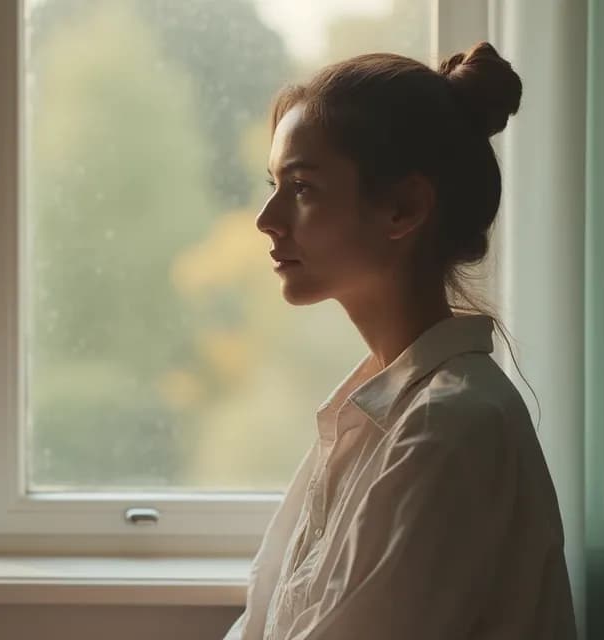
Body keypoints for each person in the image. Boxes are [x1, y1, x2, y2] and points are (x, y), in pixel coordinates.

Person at [225, 43, 577, 639]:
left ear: (404, 208)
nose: (267, 218)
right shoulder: (369, 418)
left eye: (301, 187)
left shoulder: (450, 428)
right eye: (274, 184)